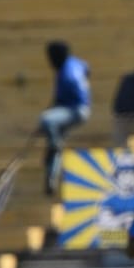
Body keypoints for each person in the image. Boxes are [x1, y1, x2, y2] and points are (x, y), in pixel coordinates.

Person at [39, 40, 90, 195]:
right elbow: (87, 68)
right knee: (54, 144)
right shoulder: (75, 63)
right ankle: (51, 177)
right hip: (75, 109)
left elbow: (66, 96)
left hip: (75, 110)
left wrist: (55, 107)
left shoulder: (67, 73)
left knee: (46, 120)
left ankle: (55, 144)